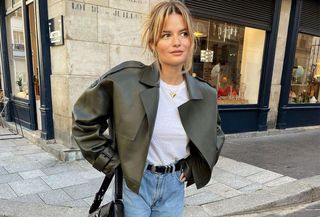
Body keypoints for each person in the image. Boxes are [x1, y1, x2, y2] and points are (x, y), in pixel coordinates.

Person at [72, 1, 225, 217]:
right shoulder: (126, 81)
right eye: (166, 35)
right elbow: (83, 121)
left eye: (183, 33)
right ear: (153, 42)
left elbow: (215, 135)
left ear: (191, 40)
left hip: (174, 184)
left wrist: (193, 167)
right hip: (137, 183)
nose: (177, 42)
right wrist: (113, 162)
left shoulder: (204, 93)